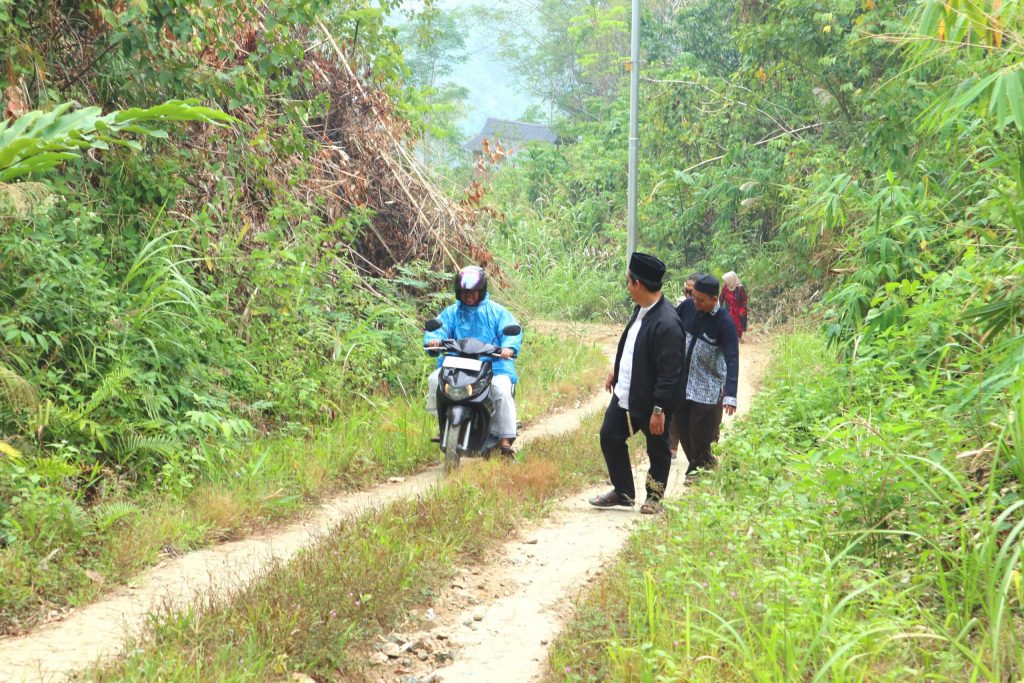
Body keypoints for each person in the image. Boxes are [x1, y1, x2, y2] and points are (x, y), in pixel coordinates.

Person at [589, 253, 684, 515]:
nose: (627, 287)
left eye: (629, 282)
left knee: (658, 450)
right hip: (627, 395)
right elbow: (631, 346)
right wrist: (617, 372)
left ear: (638, 284)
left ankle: (654, 497)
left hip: (652, 402)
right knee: (610, 435)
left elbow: (670, 373)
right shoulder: (641, 309)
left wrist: (659, 409)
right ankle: (623, 492)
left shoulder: (667, 323)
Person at [424, 265, 523, 454]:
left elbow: (511, 330)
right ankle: (443, 425)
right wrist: (433, 341)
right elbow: (437, 329)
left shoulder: (497, 312)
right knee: (435, 379)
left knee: (501, 390)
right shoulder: (452, 312)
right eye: (464, 291)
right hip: (456, 363)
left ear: (482, 290)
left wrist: (509, 347)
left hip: (493, 364)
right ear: (458, 292)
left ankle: (505, 442)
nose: (468, 295)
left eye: (473, 291)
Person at [671, 273, 739, 478]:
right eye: (693, 296)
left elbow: (732, 358)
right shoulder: (687, 308)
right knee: (685, 436)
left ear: (714, 299)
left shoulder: (724, 322)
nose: (696, 303)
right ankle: (705, 469)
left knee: (701, 438)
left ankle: (696, 475)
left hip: (707, 389)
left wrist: (730, 393)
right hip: (682, 386)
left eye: (700, 300)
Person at [720, 271, 748, 342]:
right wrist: (720, 307)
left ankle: (738, 337)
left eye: (726, 281)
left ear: (731, 280)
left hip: (737, 309)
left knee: (738, 323)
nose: (725, 282)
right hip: (728, 308)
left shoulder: (740, 289)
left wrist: (742, 309)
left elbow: (744, 300)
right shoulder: (725, 287)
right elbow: (721, 297)